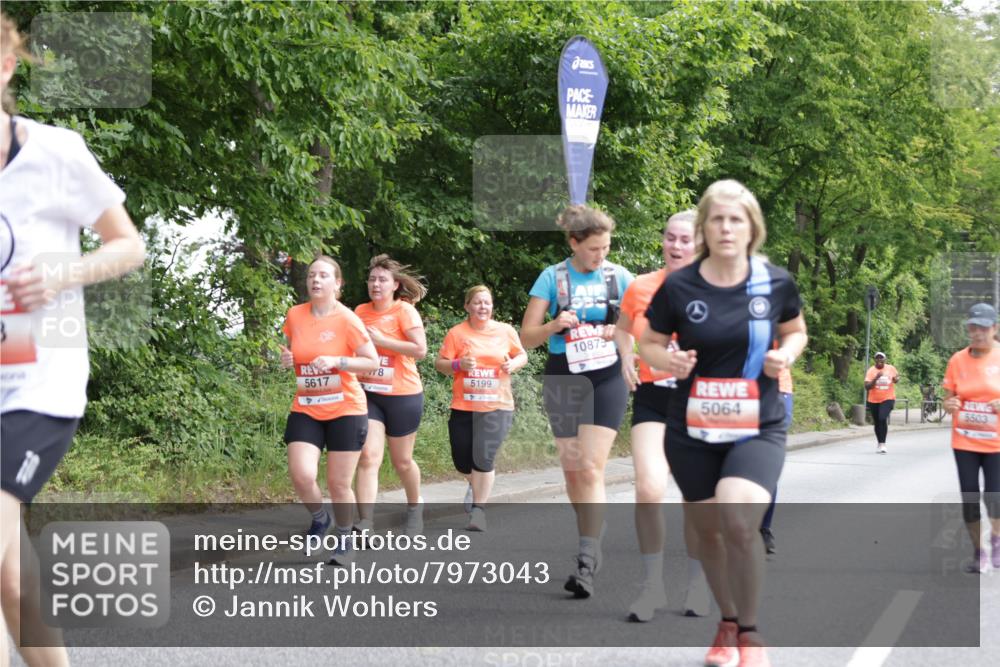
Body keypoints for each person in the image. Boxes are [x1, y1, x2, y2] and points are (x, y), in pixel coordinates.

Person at [0, 13, 146, 665]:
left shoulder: (55, 153)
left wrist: (63, 272)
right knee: (11, 577)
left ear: (6, 68)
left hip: (38, 384)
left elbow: (128, 244)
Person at [639, 179, 807, 667]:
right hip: (692, 426)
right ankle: (727, 623)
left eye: (736, 219)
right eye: (717, 219)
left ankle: (751, 634)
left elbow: (796, 331)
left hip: (758, 421)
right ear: (704, 228)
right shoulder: (680, 286)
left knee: (737, 518)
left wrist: (785, 354)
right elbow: (649, 342)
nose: (727, 228)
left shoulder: (774, 282)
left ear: (752, 227)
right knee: (708, 532)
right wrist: (668, 361)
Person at [520, 205, 634, 598]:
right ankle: (592, 530)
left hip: (606, 376)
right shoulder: (552, 277)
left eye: (606, 248)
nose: (601, 255)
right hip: (564, 376)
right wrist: (554, 325)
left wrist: (618, 331)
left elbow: (639, 326)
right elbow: (526, 337)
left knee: (589, 466)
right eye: (593, 249)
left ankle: (586, 558)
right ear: (574, 243)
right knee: (572, 472)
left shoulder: (619, 277)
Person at [612, 210, 709, 621]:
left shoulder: (718, 287)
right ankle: (652, 587)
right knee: (649, 488)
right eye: (670, 237)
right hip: (653, 397)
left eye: (685, 240)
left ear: (701, 243)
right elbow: (622, 328)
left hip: (701, 402)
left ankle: (698, 584)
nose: (676, 246)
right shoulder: (641, 286)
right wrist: (625, 357)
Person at [280, 256, 379, 566]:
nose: (315, 280)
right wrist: (287, 359)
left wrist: (339, 361)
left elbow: (372, 361)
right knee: (301, 474)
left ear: (337, 284)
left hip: (345, 409)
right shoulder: (295, 315)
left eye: (323, 275)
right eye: (312, 275)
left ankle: (345, 537)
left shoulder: (348, 319)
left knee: (338, 484)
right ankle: (320, 519)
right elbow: (293, 350)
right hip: (307, 405)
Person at [435, 285, 527, 531]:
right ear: (467, 306)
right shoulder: (456, 333)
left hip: (498, 405)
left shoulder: (505, 331)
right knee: (461, 460)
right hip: (464, 405)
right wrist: (458, 364)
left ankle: (478, 511)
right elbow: (440, 364)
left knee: (483, 456)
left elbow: (522, 355)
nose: (482, 307)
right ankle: (474, 484)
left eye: (486, 302)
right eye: (477, 302)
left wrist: (513, 365)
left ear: (492, 306)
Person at [354, 255, 428, 537]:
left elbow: (420, 350)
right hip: (369, 393)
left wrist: (382, 341)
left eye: (382, 280)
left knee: (402, 462)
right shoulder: (360, 311)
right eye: (372, 279)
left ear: (395, 285)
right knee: (368, 457)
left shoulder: (404, 311)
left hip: (403, 394)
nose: (376, 284)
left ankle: (415, 507)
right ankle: (366, 523)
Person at [942, 302, 1000, 574]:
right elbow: (948, 399)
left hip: (996, 443)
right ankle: (979, 552)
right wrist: (950, 405)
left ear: (994, 329)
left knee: (994, 497)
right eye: (973, 327)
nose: (978, 333)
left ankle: (996, 540)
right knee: (969, 498)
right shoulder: (957, 360)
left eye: (983, 328)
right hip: (964, 441)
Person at [759, 366, 793, 556]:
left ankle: (764, 527)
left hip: (777, 389)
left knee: (766, 462)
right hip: (733, 389)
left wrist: (786, 353)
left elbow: (793, 347)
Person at [865, 351, 899, 454]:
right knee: (877, 422)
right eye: (877, 358)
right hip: (873, 400)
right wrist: (876, 378)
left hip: (888, 398)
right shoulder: (871, 371)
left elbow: (896, 378)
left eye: (881, 358)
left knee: (882, 418)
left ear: (885, 359)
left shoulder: (891, 368)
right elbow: (867, 387)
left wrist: (896, 379)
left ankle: (883, 444)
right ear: (875, 360)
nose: (879, 360)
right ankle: (879, 443)